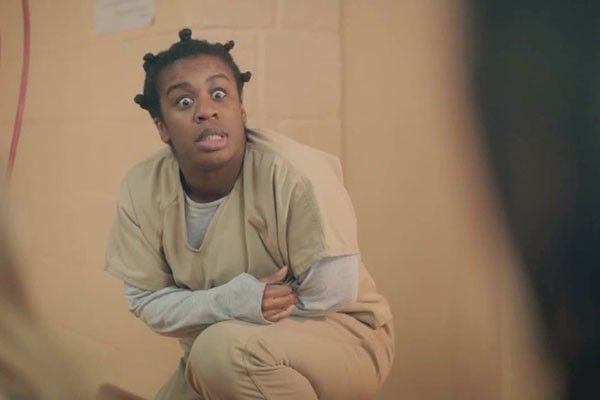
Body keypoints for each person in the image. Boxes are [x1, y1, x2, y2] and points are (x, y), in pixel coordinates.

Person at [105, 28, 394, 399]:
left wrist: (204, 308)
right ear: (161, 127)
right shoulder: (141, 188)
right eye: (183, 101)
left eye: (219, 94)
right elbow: (145, 301)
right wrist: (234, 300)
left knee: (220, 355)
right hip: (228, 344)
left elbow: (332, 292)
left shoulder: (295, 174)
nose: (206, 110)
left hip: (344, 335)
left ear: (240, 110)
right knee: (212, 356)